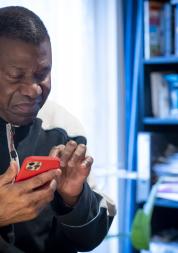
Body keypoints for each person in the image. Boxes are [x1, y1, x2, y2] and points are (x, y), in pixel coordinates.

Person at [0, 5, 116, 253]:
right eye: (15, 75)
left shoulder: (63, 128)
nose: (33, 90)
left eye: (43, 73)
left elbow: (89, 238)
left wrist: (74, 201)